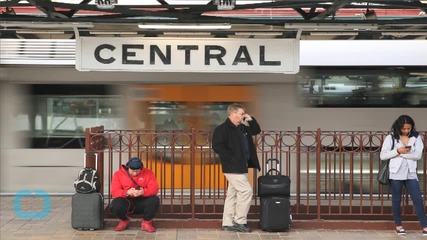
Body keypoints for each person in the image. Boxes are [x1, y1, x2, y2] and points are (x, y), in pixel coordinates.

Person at [212, 103, 261, 232]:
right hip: (232, 166)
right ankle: (240, 221)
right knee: (246, 191)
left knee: (232, 195)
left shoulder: (242, 128)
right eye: (241, 113)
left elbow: (256, 130)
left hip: (241, 165)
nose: (243, 115)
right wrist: (232, 158)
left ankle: (227, 223)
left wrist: (250, 119)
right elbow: (217, 146)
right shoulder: (222, 129)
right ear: (233, 114)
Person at [380, 115, 427, 236]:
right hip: (396, 173)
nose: (406, 131)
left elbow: (417, 156)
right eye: (404, 128)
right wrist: (397, 151)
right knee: (396, 200)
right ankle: (398, 225)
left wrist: (401, 155)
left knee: (417, 199)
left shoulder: (416, 137)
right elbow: (383, 155)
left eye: (408, 128)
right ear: (398, 127)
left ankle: (425, 226)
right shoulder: (391, 137)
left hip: (411, 173)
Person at [110, 157, 160, 232]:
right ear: (128, 167)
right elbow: (114, 192)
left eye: (137, 171)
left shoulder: (148, 173)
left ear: (141, 169)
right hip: (126, 201)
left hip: (142, 200)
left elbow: (154, 189)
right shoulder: (118, 174)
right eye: (132, 171)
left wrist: (143, 192)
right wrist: (127, 192)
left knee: (154, 200)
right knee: (116, 203)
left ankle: (146, 222)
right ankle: (124, 220)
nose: (134, 173)